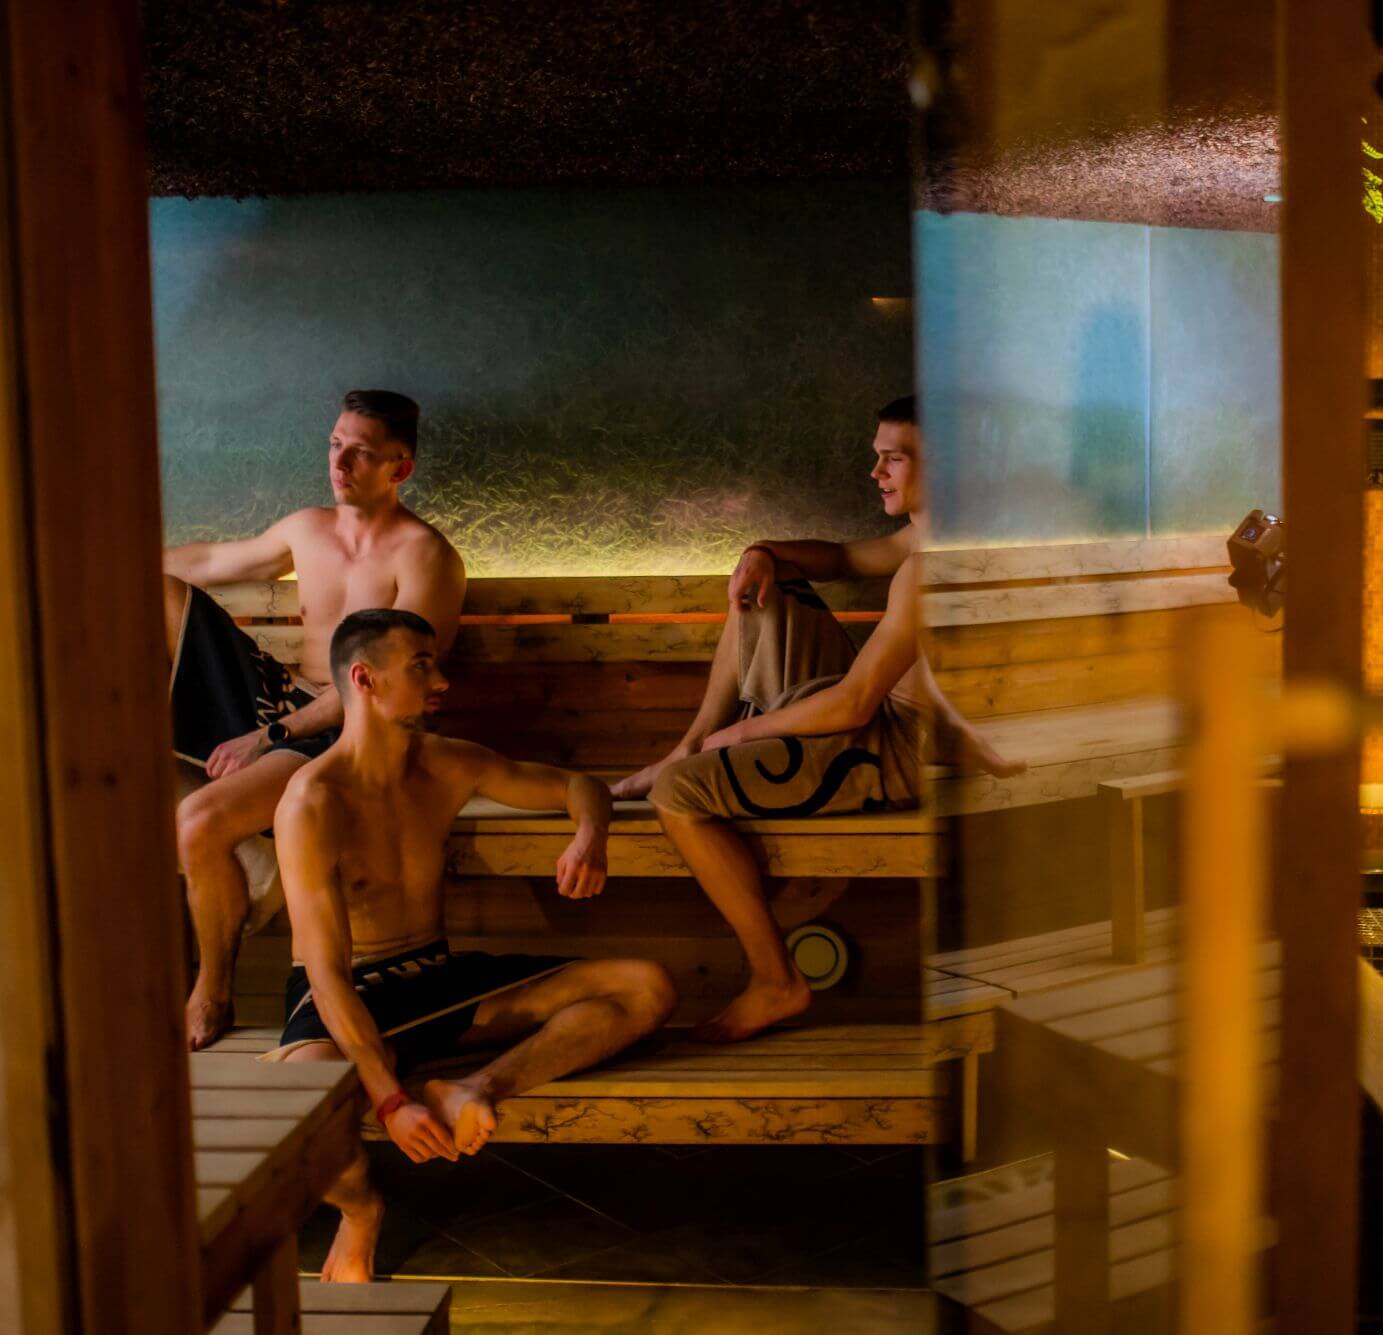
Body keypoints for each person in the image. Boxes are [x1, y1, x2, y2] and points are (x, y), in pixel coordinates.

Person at [270, 608, 676, 1283]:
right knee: (299, 1100)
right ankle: (361, 1210)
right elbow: (327, 973)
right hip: (347, 989)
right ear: (365, 679)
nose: (442, 682)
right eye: (421, 666)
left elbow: (577, 786)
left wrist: (589, 835)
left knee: (645, 985)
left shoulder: (449, 763)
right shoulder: (311, 802)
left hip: (436, 976)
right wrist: (390, 1103)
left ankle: (472, 1086)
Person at [614, 396, 1022, 1041]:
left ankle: (775, 980)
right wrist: (761, 551)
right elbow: (844, 559)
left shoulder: (936, 568)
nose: (875, 473)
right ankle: (685, 746)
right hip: (876, 715)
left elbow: (857, 704)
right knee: (771, 583)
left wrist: (740, 733)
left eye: (893, 459)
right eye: (877, 457)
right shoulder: (929, 539)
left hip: (891, 751)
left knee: (680, 792)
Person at [164, 389, 467, 1049]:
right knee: (155, 589)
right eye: (335, 444)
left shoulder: (425, 557)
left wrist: (267, 736)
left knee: (198, 821)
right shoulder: (307, 528)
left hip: (358, 727)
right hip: (285, 700)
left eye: (361, 452)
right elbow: (211, 563)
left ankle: (212, 988)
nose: (340, 462)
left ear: (400, 467)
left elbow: (383, 685)